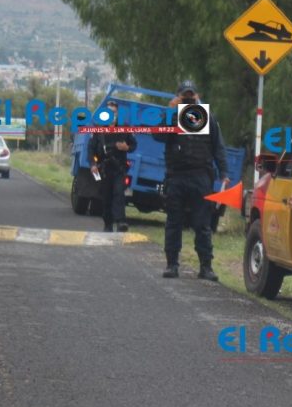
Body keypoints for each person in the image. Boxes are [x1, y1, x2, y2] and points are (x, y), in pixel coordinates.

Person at [153, 80, 230, 280]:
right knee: (173, 222)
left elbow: (218, 146)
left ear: (196, 96)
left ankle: (206, 266)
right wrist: (170, 111)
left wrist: (224, 173)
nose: (188, 99)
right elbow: (157, 136)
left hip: (200, 176)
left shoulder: (206, 118)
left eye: (191, 95)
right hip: (176, 176)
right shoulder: (171, 118)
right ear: (178, 97)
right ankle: (172, 265)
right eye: (184, 96)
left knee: (203, 224)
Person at [87, 100, 137, 232]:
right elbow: (91, 149)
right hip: (104, 169)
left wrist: (127, 147)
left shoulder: (124, 128)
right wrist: (93, 164)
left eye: (114, 112)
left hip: (119, 168)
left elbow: (133, 145)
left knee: (119, 193)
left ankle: (121, 222)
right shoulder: (99, 129)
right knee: (106, 197)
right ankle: (108, 223)